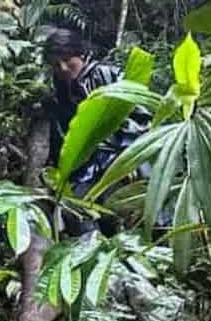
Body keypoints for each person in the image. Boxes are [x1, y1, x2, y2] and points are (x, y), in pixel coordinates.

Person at [43, 28, 149, 234]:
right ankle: (94, 257)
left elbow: (141, 116)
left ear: (80, 53)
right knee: (74, 210)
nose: (63, 68)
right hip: (85, 170)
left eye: (67, 59)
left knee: (116, 211)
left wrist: (117, 144)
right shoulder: (60, 94)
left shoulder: (107, 75)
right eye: (56, 65)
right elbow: (62, 141)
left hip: (119, 160)